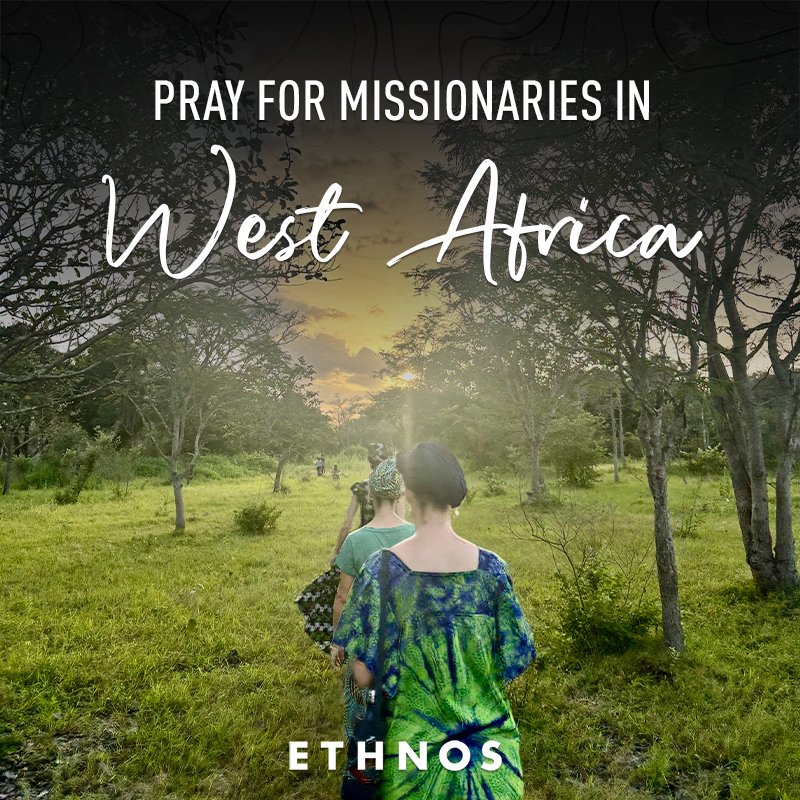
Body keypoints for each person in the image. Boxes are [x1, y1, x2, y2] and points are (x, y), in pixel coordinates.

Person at [332, 443, 535, 800]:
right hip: (492, 763)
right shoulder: (492, 570)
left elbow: (363, 674)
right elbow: (516, 658)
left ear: (406, 493)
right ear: (452, 498)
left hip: (413, 762)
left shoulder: (381, 571)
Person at [330, 460, 413, 743]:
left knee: (362, 700)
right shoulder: (416, 535)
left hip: (364, 637)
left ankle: (364, 750)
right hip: (406, 637)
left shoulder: (355, 540)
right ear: (400, 496)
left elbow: (342, 596)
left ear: (369, 496)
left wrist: (337, 642)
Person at [332, 442, 395, 557]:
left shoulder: (361, 487)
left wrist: (337, 552)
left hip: (364, 543)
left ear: (370, 462)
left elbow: (347, 525)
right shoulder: (394, 488)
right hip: (388, 546)